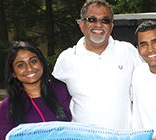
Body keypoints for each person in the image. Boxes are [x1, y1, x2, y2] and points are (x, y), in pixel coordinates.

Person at [52, 0, 142, 129]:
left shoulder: (128, 51)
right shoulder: (67, 59)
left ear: (111, 27)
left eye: (105, 20)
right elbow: (52, 99)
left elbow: (150, 81)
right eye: (92, 19)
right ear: (81, 25)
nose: (98, 25)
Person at [0, 41, 71, 140]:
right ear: (13, 73)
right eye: (21, 65)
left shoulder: (61, 90)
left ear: (42, 63)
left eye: (33, 61)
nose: (29, 68)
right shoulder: (8, 107)